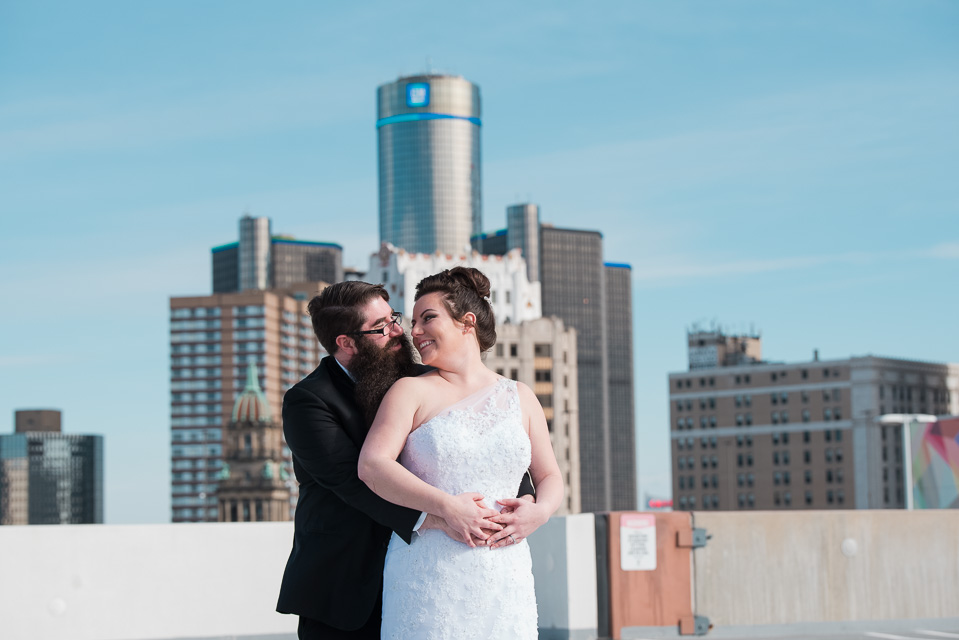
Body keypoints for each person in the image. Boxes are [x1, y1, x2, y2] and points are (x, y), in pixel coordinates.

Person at [276, 281, 535, 639]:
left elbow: (482, 439)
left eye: (395, 317)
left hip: (437, 570)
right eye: (382, 327)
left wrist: (523, 500)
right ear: (346, 342)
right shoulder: (308, 401)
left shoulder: (426, 377)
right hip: (346, 583)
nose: (402, 331)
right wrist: (439, 516)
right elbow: (354, 482)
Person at [358, 267, 564, 639]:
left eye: (428, 318)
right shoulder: (409, 391)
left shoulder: (521, 396)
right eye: (414, 320)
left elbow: (550, 476)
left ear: (466, 322)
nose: (414, 331)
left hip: (506, 572)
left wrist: (540, 512)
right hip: (431, 571)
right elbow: (372, 465)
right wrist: (447, 506)